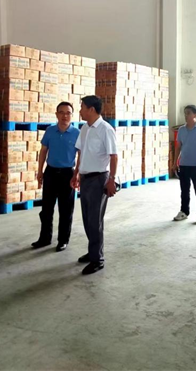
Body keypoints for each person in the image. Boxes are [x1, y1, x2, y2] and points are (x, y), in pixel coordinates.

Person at [70, 95, 118, 275]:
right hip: (85, 178)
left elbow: (114, 156)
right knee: (87, 218)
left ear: (91, 109)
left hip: (99, 179)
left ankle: (97, 259)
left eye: (82, 107)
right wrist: (76, 173)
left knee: (95, 220)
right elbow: (81, 153)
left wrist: (111, 179)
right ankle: (93, 251)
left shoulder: (106, 129)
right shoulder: (85, 128)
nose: (80, 111)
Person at [32, 102, 80, 252]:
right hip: (51, 173)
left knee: (66, 209)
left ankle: (63, 240)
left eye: (68, 113)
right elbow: (43, 151)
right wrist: (40, 171)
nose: (65, 116)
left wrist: (77, 174)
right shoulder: (50, 131)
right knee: (46, 208)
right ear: (56, 114)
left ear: (72, 115)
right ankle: (45, 238)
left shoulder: (77, 133)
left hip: (68, 174)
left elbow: (81, 155)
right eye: (62, 112)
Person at [172, 105, 196, 224]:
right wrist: (175, 162)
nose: (186, 115)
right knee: (184, 190)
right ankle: (184, 211)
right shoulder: (181, 130)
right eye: (185, 113)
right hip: (184, 164)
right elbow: (178, 147)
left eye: (188, 113)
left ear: (195, 115)